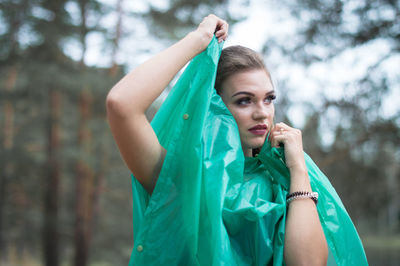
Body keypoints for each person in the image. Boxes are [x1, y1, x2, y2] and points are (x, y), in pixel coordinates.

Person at [106, 14, 365, 265]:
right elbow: (121, 105)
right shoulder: (182, 179)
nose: (262, 112)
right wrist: (198, 39)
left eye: (269, 99)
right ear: (213, 107)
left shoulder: (284, 179)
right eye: (244, 100)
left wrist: (298, 170)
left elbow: (307, 263)